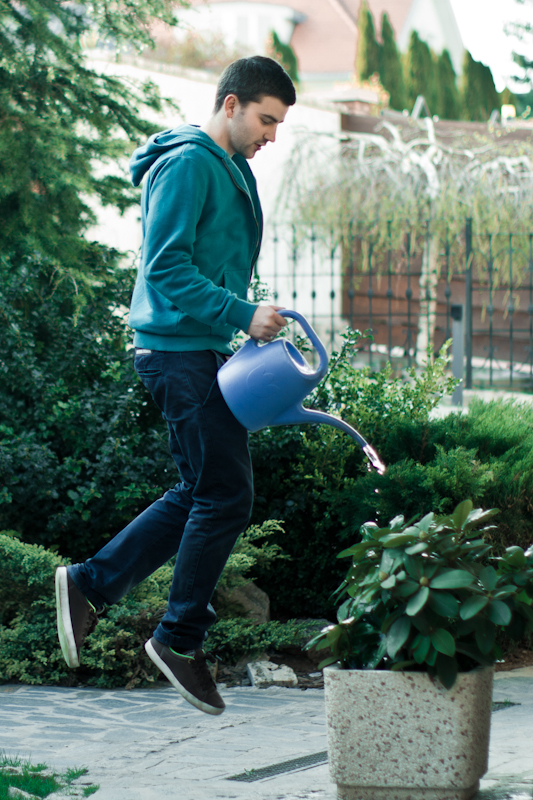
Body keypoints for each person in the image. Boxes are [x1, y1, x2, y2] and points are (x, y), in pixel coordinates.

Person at [55, 56, 296, 716]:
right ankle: (178, 637)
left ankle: (90, 585)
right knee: (225, 493)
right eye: (265, 119)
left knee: (201, 489)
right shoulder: (189, 162)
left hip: (197, 351)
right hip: (174, 351)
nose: (270, 135)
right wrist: (241, 313)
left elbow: (204, 267)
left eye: (278, 124)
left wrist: (241, 325)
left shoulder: (227, 167)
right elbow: (165, 269)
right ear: (229, 104)